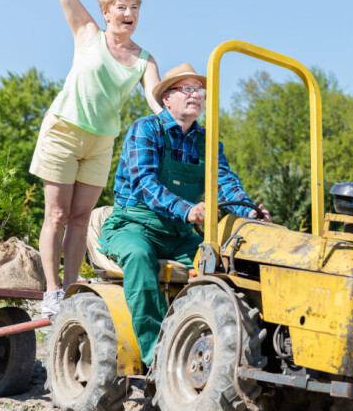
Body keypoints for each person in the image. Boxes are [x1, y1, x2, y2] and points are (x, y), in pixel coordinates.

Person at [27, 0, 163, 317]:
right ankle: (51, 291)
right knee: (57, 214)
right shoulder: (87, 33)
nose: (129, 12)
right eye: (122, 7)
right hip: (64, 131)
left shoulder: (144, 59)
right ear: (106, 11)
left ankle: (71, 289)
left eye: (135, 8)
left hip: (101, 142)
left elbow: (156, 100)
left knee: (81, 218)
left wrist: (180, 121)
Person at [100, 63, 271, 367]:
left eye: (200, 91)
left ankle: (220, 344)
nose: (196, 95)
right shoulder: (145, 129)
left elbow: (225, 183)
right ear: (167, 98)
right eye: (187, 89)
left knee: (224, 262)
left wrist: (250, 213)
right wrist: (188, 209)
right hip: (132, 226)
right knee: (139, 257)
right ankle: (156, 358)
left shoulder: (207, 141)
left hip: (178, 235)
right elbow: (144, 183)